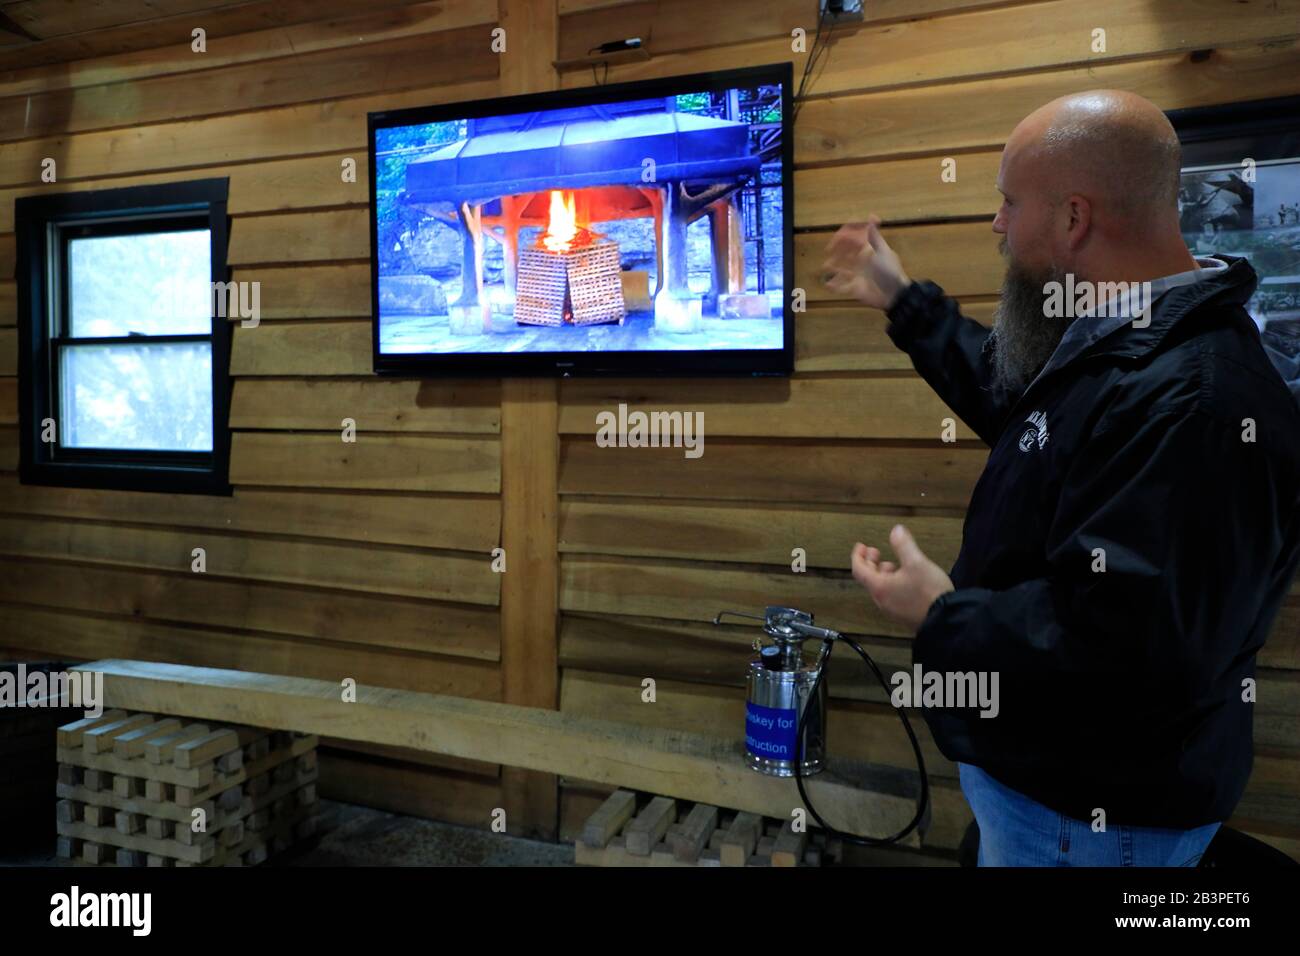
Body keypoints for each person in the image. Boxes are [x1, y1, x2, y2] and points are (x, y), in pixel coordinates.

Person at [822, 89, 1300, 866]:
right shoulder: (1128, 333)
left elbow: (1125, 654)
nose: (998, 225)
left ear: (1075, 219)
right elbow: (1018, 401)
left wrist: (940, 613)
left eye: (1010, 203)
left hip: (1096, 823)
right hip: (1051, 798)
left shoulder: (1200, 406)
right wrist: (901, 300)